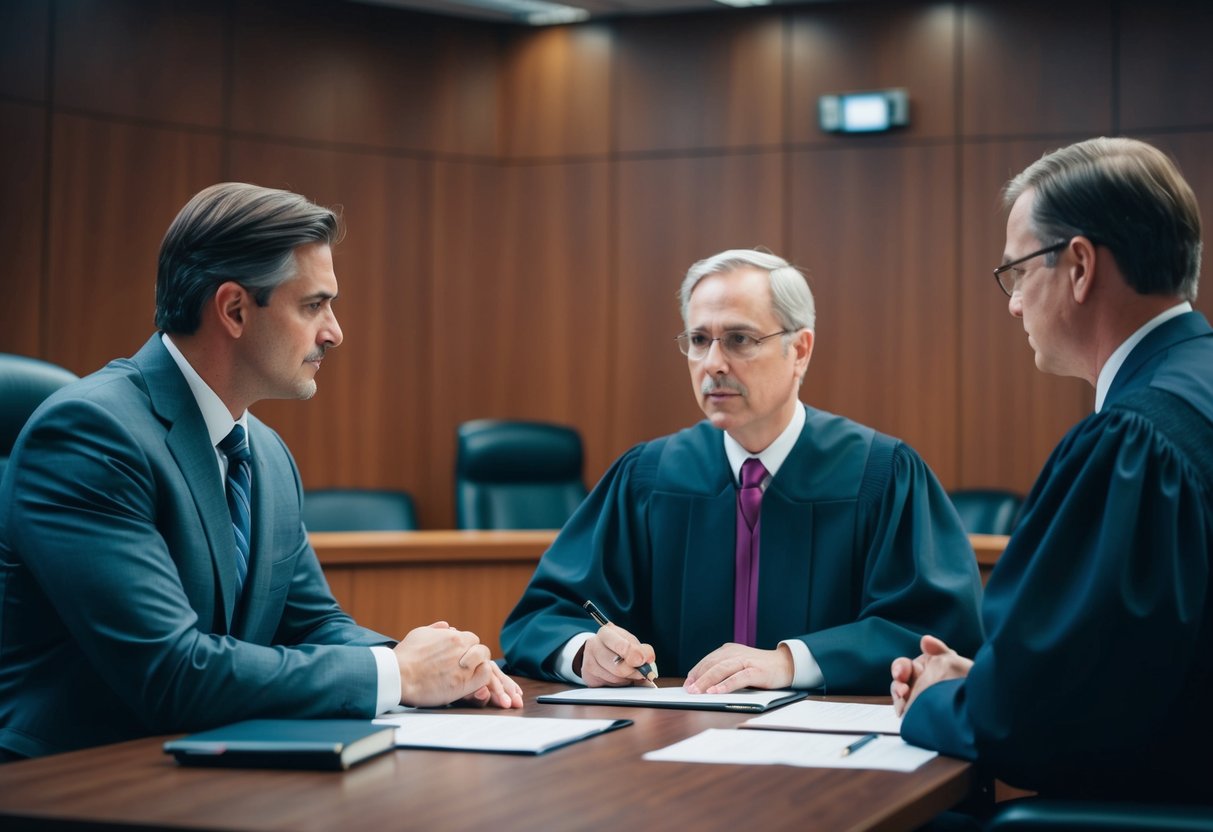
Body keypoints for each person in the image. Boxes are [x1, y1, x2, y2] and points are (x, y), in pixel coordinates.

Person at [0, 183, 522, 761]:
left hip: (209, 767)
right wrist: (396, 674)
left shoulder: (265, 452)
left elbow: (312, 624)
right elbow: (171, 671)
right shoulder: (90, 435)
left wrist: (442, 673)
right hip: (75, 781)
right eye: (313, 305)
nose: (334, 332)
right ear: (234, 310)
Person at [502, 248, 983, 695]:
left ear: (799, 350)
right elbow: (546, 615)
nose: (713, 364)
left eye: (739, 339)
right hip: (662, 756)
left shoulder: (881, 475)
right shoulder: (648, 477)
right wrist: (588, 653)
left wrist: (791, 663)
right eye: (698, 340)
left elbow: (936, 632)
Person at [891, 137, 1213, 803]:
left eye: (1016, 272)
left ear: (1078, 266)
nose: (1011, 304)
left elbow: (1032, 729)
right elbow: (1124, 671)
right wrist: (984, 680)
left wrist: (938, 698)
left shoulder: (1133, 441)